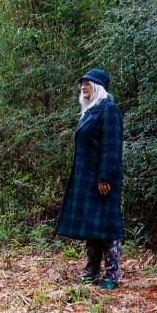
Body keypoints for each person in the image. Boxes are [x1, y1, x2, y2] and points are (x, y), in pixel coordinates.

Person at [56, 68, 124, 289]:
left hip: (103, 180)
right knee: (92, 226)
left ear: (98, 87)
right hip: (87, 180)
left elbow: (112, 147)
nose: (83, 87)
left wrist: (105, 176)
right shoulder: (90, 112)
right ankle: (91, 271)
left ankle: (111, 276)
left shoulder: (109, 110)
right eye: (82, 83)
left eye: (88, 83)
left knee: (108, 227)